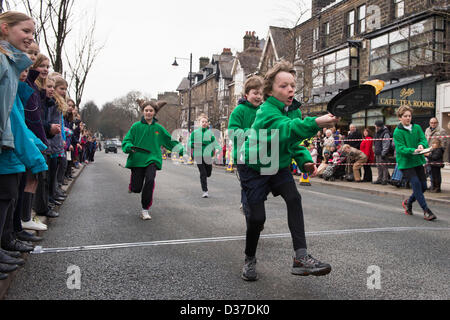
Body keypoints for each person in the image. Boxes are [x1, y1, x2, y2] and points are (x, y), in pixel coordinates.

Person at [240, 60, 338, 281]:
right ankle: (249, 258)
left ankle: (300, 258)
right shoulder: (266, 111)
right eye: (283, 85)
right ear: (270, 89)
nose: (290, 89)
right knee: (256, 219)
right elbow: (287, 129)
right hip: (254, 167)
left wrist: (304, 160)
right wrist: (317, 122)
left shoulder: (292, 111)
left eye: (292, 85)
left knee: (294, 198)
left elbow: (292, 141)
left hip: (278, 165)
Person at [0, 11, 48, 279]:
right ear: (5, 28)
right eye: (25, 31)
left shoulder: (11, 63)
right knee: (5, 194)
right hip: (5, 144)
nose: (30, 38)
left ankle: (7, 240)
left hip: (8, 144)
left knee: (8, 195)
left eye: (33, 33)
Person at [122, 99, 184, 221]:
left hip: (152, 158)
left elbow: (169, 141)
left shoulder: (159, 129)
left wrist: (180, 149)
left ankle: (145, 210)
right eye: (146, 110)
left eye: (151, 110)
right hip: (138, 159)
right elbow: (127, 140)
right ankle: (132, 185)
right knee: (136, 188)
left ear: (155, 113)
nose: (148, 113)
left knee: (150, 181)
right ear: (143, 112)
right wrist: (129, 147)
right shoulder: (136, 126)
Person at [228, 76, 264, 217]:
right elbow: (232, 132)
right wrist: (251, 133)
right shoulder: (239, 110)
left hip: (261, 156)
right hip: (242, 156)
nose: (258, 96)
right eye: (255, 93)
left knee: (257, 188)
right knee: (248, 187)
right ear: (246, 94)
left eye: (261, 93)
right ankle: (251, 218)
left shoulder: (264, 111)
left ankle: (254, 215)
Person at [394, 106, 437, 221]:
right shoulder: (397, 132)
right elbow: (400, 148)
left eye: (409, 116)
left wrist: (422, 145)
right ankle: (426, 211)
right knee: (416, 184)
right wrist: (413, 150)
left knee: (423, 187)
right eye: (405, 116)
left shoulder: (417, 127)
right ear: (400, 118)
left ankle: (408, 202)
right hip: (406, 163)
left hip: (417, 161)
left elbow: (423, 139)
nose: (408, 118)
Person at [189, 114, 221, 198]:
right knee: (203, 173)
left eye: (205, 122)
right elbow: (189, 143)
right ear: (199, 123)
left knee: (208, 173)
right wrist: (193, 144)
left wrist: (217, 148)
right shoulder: (195, 133)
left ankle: (206, 175)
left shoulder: (210, 133)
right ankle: (205, 191)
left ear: (208, 124)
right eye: (202, 122)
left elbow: (215, 143)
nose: (204, 123)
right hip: (198, 155)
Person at [424, 118, 447, 187]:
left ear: (437, 123)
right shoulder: (427, 130)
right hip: (428, 152)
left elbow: (443, 143)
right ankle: (432, 185)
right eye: (431, 123)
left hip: (436, 153)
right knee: (429, 170)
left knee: (436, 172)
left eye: (434, 123)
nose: (433, 124)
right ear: (429, 123)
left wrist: (438, 151)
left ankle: (436, 186)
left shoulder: (442, 131)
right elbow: (425, 140)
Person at [373, 120, 391, 185]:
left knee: (384, 167)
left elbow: (386, 143)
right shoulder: (377, 132)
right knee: (378, 166)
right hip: (377, 151)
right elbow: (375, 142)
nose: (375, 127)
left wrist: (384, 152)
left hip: (382, 152)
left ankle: (385, 179)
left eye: (376, 126)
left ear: (379, 126)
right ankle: (379, 179)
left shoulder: (385, 133)